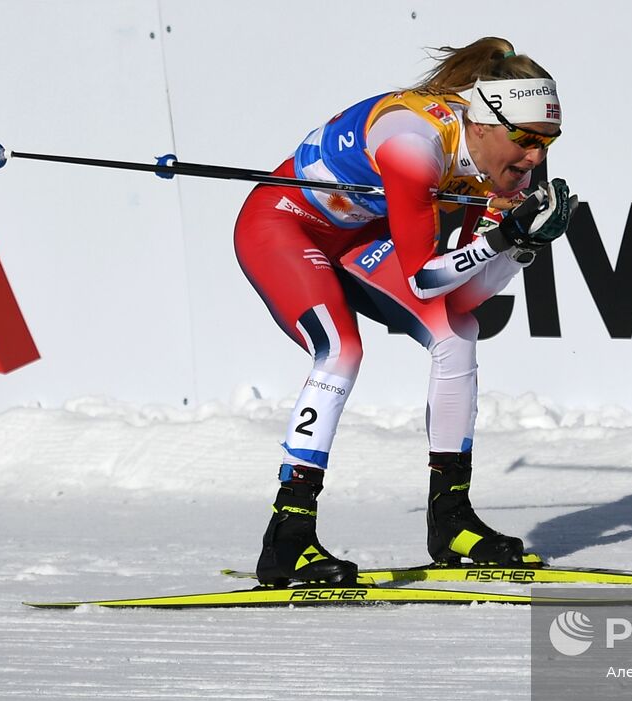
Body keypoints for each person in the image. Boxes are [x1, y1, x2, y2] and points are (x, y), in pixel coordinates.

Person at [233, 37, 576, 587]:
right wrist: (505, 235)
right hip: (282, 222)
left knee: (458, 331)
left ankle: (452, 520)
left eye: (548, 142)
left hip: (357, 231)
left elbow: (463, 294)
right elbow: (423, 275)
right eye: (527, 141)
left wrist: (520, 246)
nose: (535, 158)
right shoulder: (414, 144)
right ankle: (287, 535)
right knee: (340, 350)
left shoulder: (507, 157)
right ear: (484, 125)